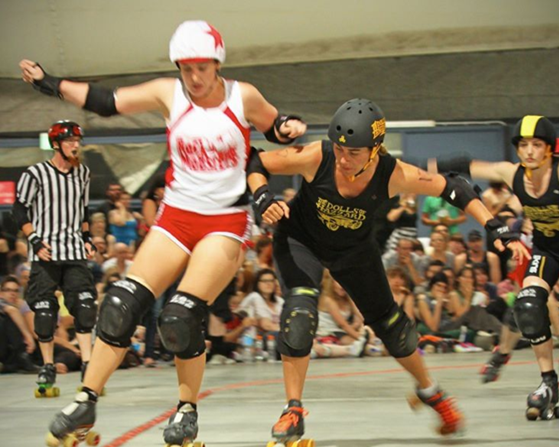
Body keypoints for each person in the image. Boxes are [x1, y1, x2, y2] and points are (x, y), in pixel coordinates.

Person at [20, 20, 306, 445]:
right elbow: (106, 101)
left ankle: (187, 409)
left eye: (202, 68)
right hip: (176, 217)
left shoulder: (241, 95)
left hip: (225, 222)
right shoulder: (167, 93)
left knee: (180, 315)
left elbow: (273, 125)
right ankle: (86, 400)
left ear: (217, 64)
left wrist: (288, 127)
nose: (194, 77)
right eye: (186, 68)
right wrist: (50, 82)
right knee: (119, 304)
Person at [247, 98, 528, 442]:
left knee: (393, 327)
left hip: (353, 250)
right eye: (339, 149)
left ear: (375, 151)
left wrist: (494, 226)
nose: (343, 159)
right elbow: (256, 161)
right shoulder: (318, 156)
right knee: (299, 315)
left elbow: (454, 187)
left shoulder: (393, 174)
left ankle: (430, 390)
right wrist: (263, 196)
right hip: (300, 240)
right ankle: (293, 410)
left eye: (353, 152)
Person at [428, 114, 559, 420]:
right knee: (527, 305)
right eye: (523, 145)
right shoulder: (512, 173)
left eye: (536, 145)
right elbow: (464, 164)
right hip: (547, 251)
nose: (529, 151)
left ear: (549, 149)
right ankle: (549, 382)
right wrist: (418, 168)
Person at [11, 120, 98, 396]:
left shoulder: (83, 173)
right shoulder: (35, 174)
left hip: (74, 252)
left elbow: (83, 211)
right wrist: (35, 240)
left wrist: (87, 238)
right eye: (70, 141)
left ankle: (88, 365)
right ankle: (48, 366)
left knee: (85, 307)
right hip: (46, 252)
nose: (75, 145)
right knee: (45, 311)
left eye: (77, 141)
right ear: (56, 145)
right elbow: (19, 210)